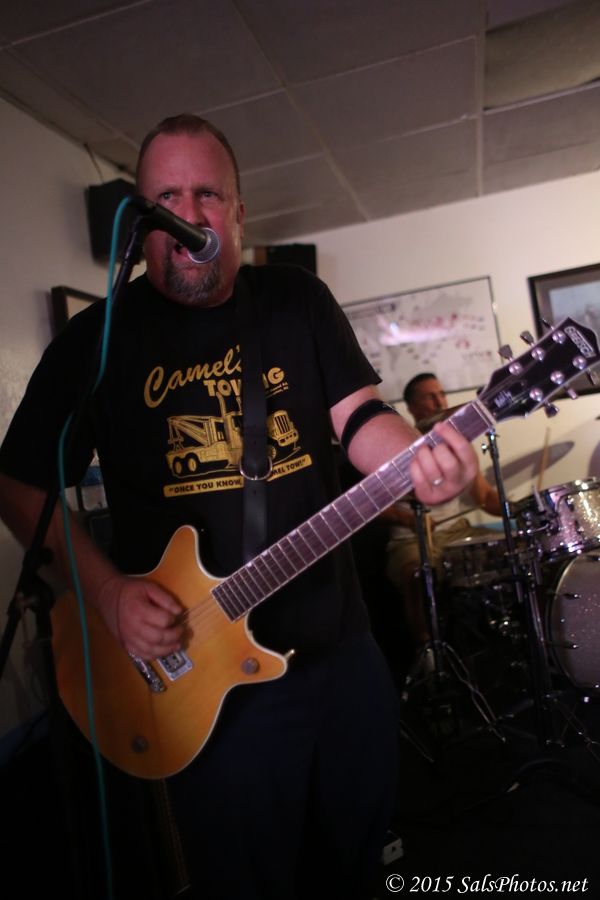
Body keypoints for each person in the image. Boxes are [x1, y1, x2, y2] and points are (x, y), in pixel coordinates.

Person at [0, 115, 479, 900]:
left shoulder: (294, 301)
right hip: (200, 677)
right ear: (140, 218)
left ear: (239, 213)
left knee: (359, 864)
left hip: (339, 651)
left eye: (208, 195)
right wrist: (107, 593)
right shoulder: (97, 341)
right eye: (166, 198)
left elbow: (360, 416)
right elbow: (20, 484)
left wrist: (418, 464)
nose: (188, 215)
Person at [385, 372, 502, 652]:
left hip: (456, 531)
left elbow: (484, 497)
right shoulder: (393, 446)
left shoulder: (456, 445)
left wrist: (519, 509)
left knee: (515, 551)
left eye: (441, 395)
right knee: (416, 574)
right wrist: (408, 519)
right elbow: (377, 507)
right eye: (430, 397)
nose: (440, 402)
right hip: (410, 539)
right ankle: (428, 651)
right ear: (411, 407)